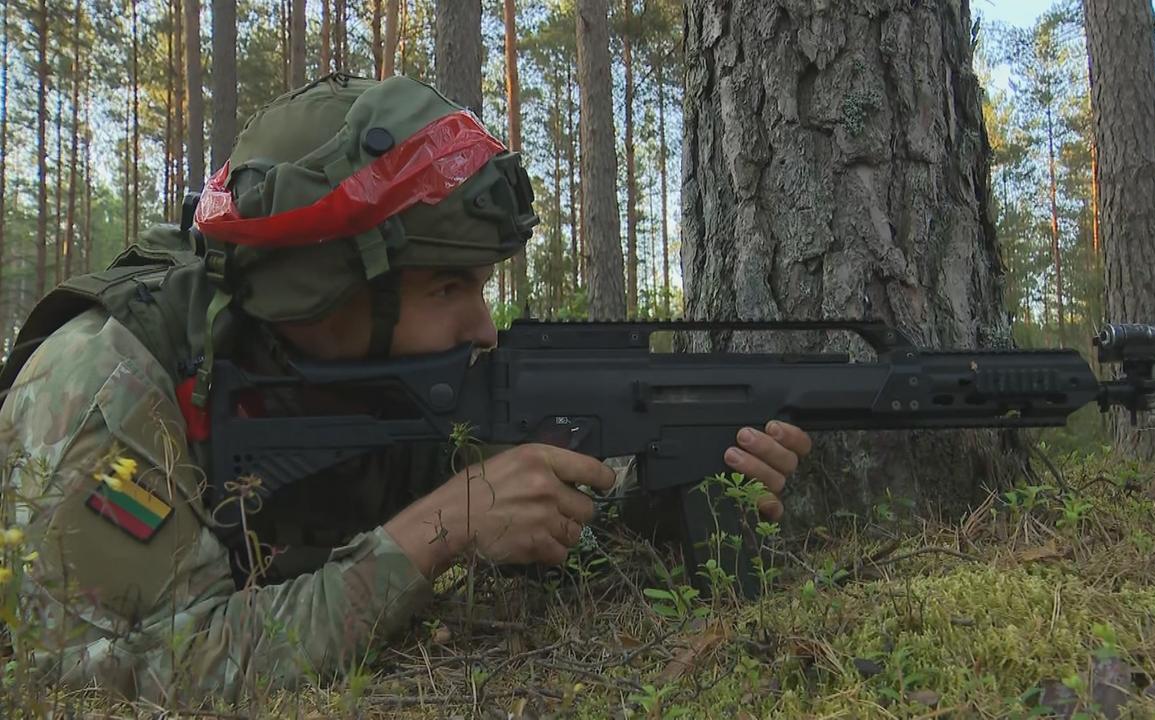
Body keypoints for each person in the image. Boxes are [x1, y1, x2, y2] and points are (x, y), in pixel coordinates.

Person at [0, 74, 812, 702]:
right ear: (327, 287)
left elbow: (543, 526)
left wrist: (673, 491)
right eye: (449, 289)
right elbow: (105, 676)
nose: (484, 328)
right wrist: (436, 532)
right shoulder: (100, 391)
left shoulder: (385, 377)